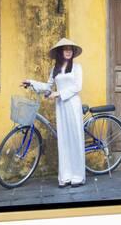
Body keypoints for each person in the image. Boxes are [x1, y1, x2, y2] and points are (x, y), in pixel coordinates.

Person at [21, 37, 86, 188]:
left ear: (73, 52)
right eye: (65, 49)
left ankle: (78, 175)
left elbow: (77, 87)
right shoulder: (54, 70)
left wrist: (58, 94)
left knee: (75, 139)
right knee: (63, 139)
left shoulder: (77, 68)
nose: (68, 51)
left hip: (72, 104)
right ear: (60, 52)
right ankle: (66, 176)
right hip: (61, 107)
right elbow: (48, 86)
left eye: (70, 49)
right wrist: (31, 82)